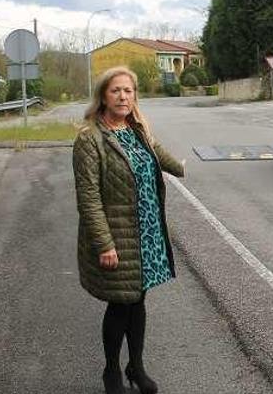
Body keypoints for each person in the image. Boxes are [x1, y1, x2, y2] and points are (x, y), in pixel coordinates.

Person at [72, 66, 184, 394]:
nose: (123, 96)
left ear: (135, 96)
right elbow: (88, 199)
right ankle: (111, 372)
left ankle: (136, 367)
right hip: (117, 235)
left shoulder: (136, 128)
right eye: (115, 91)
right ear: (103, 97)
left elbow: (155, 153)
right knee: (120, 304)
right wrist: (104, 244)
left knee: (138, 299)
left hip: (147, 230)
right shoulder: (89, 139)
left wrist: (182, 167)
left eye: (129, 91)